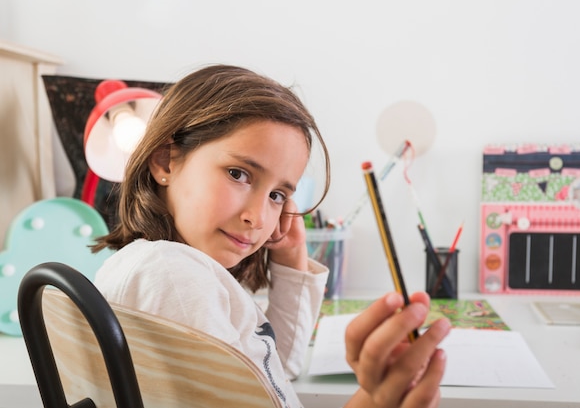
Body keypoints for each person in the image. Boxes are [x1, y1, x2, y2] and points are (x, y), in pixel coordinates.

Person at [93, 64, 451, 408]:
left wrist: (290, 260)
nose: (258, 217)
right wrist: (375, 399)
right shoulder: (172, 276)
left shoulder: (168, 269)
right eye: (238, 174)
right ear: (165, 161)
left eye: (277, 195)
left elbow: (274, 368)